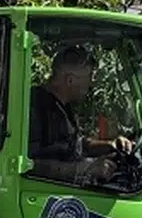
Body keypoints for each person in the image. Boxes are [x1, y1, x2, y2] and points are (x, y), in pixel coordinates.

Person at [29, 45, 133, 184]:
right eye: (89, 76)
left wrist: (111, 145)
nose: (91, 84)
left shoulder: (63, 106)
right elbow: (30, 164)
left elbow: (77, 145)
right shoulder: (35, 107)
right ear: (70, 80)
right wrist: (84, 169)